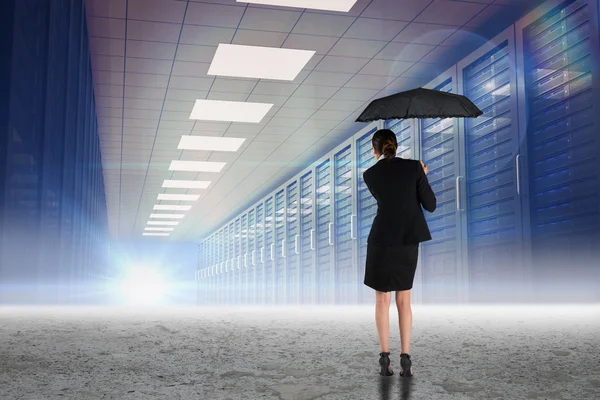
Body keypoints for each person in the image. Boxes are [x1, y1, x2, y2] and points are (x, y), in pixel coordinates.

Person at [362, 128, 436, 377]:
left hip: (381, 240)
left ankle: (384, 360)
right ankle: (406, 358)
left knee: (381, 300)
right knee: (403, 301)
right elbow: (430, 205)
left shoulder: (369, 175)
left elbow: (390, 201)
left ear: (375, 150)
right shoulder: (415, 167)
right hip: (407, 240)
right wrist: (422, 177)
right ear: (396, 145)